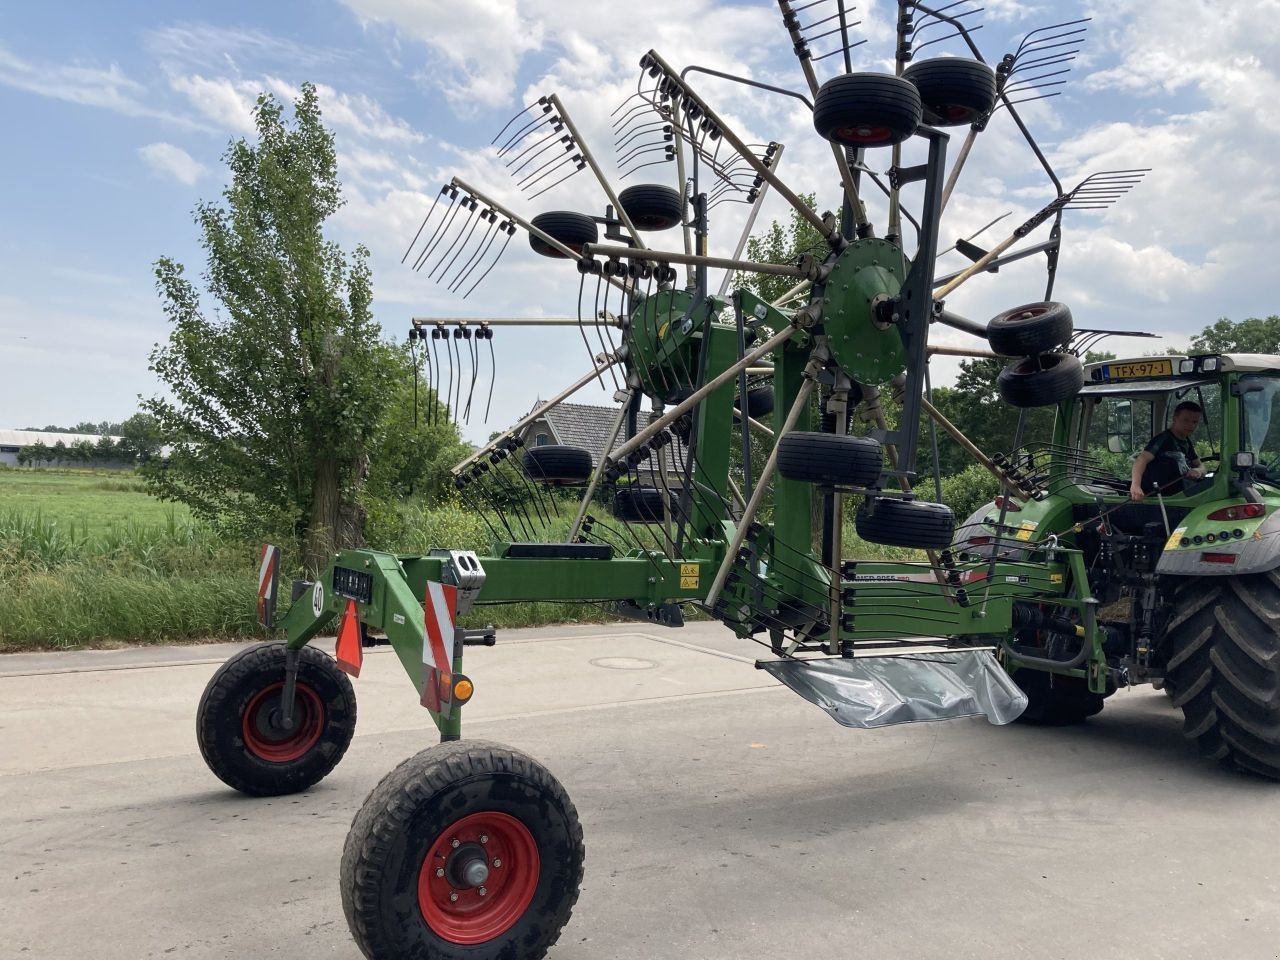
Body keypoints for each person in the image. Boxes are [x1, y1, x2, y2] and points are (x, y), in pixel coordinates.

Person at [1129, 401, 1205, 501]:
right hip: (1160, 499)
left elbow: (1201, 466)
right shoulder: (1163, 439)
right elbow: (1141, 460)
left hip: (1181, 496)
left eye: (1194, 422)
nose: (1191, 425)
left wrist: (1198, 471)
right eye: (1186, 420)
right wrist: (1135, 486)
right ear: (1175, 418)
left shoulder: (1186, 441)